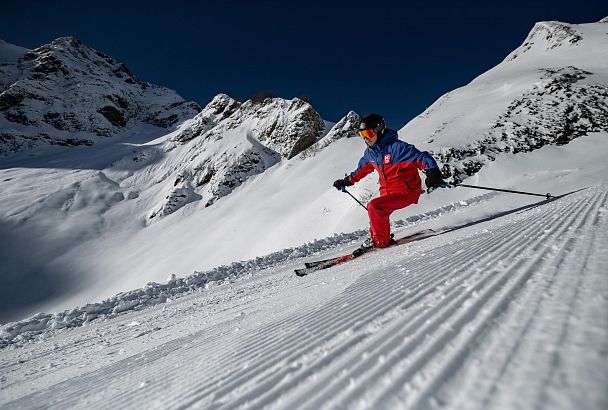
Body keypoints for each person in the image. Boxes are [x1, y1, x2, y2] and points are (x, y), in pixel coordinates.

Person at [333, 113, 446, 250]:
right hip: (387, 192)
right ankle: (377, 236)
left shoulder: (398, 149)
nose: (366, 139)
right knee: (375, 210)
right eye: (362, 135)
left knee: (375, 206)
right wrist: (346, 181)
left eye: (368, 134)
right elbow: (360, 170)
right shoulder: (370, 154)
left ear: (379, 130)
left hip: (406, 191)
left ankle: (380, 242)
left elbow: (423, 158)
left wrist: (433, 173)